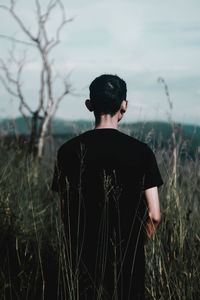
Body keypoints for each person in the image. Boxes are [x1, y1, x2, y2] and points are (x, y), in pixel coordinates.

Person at [52, 74, 163, 300]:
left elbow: (65, 212)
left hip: (81, 257)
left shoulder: (67, 151)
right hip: (128, 262)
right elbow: (154, 215)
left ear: (89, 105)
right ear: (124, 105)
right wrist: (134, 245)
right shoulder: (141, 152)